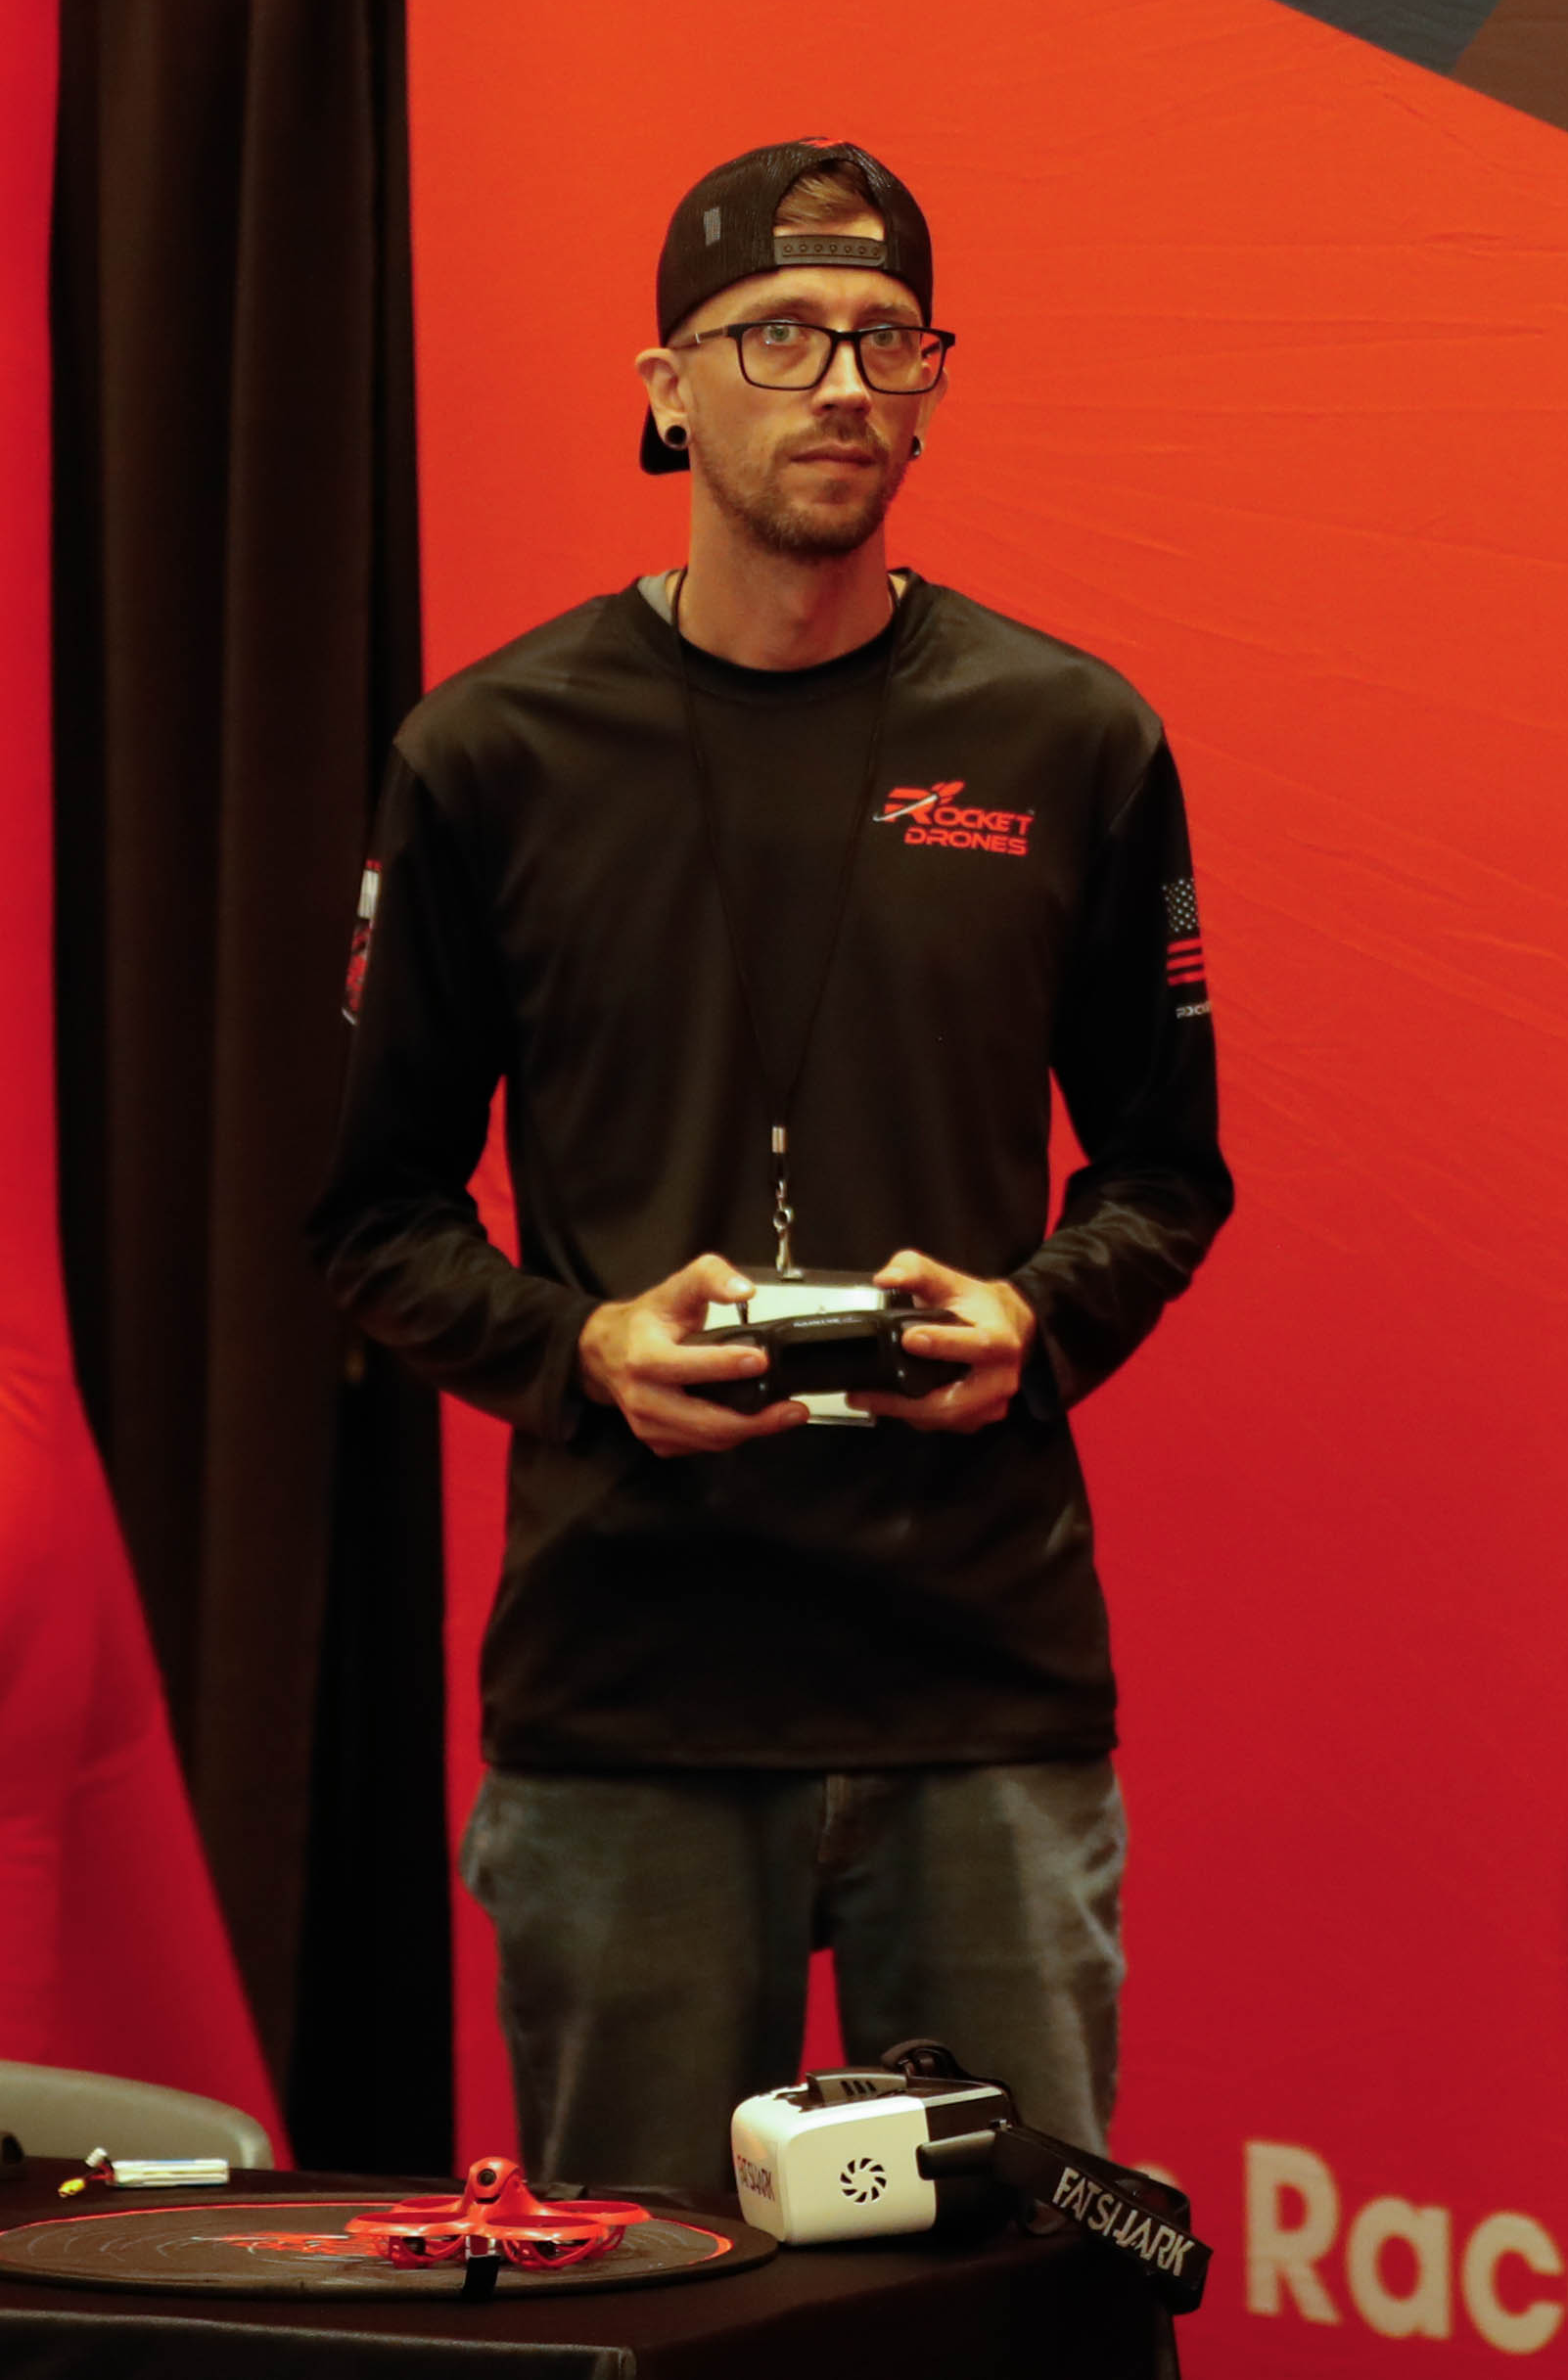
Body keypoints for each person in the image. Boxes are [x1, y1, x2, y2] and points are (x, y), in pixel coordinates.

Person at [307, 138, 1230, 2195]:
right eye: (779, 333)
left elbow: (1166, 1166)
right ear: (664, 386)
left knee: (1030, 2316)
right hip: (631, 1686)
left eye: (887, 337)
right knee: (639, 2302)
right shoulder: (490, 749)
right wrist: (590, 1347)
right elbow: (370, 1210)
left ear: (929, 381)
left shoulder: (1066, 734)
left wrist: (1032, 1315)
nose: (838, 380)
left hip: (975, 1687)